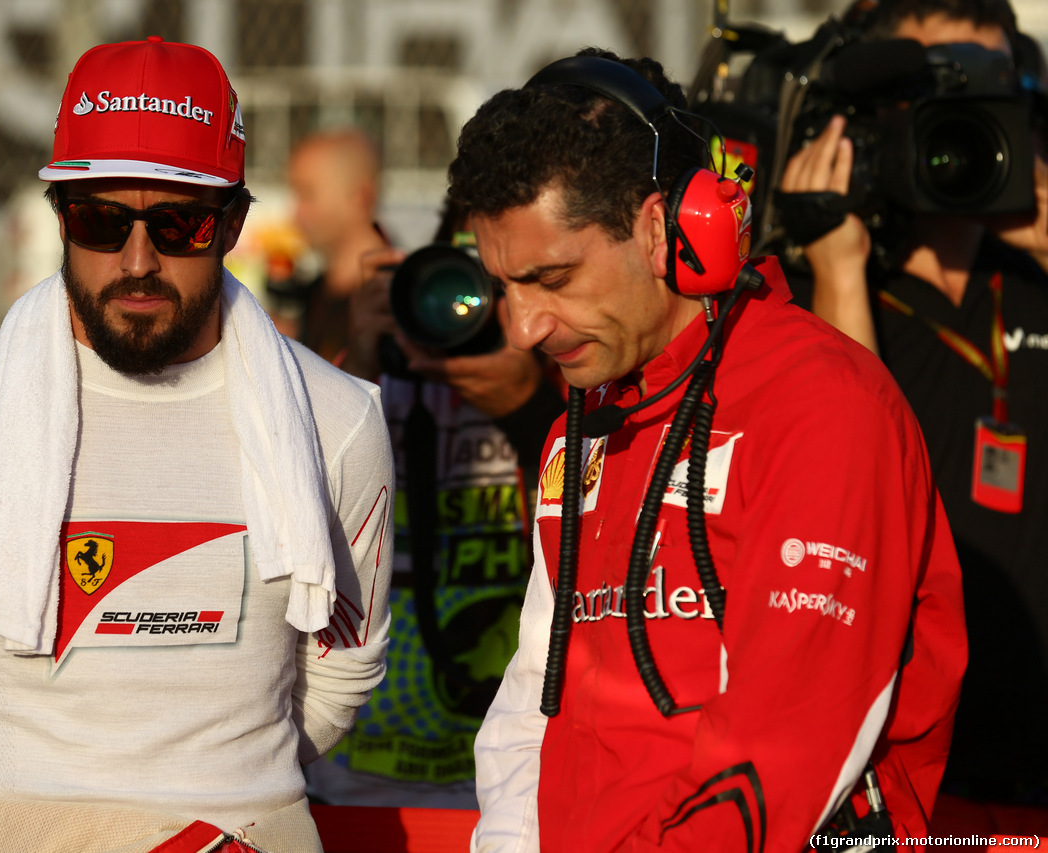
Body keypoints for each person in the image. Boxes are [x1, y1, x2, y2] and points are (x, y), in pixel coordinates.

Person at [0, 37, 393, 853]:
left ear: (233, 223)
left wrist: (214, 808)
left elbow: (341, 675)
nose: (137, 260)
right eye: (101, 220)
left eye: (179, 221)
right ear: (61, 215)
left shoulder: (336, 419)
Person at [449, 48, 967, 851]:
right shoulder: (583, 420)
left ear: (668, 228)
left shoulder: (823, 405)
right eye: (503, 286)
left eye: (552, 278)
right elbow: (529, 710)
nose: (522, 327)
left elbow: (790, 740)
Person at [780, 0, 1048, 810]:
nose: (963, 117)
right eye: (936, 89)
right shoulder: (805, 290)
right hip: (892, 776)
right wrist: (837, 269)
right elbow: (850, 480)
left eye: (989, 88)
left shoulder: (1034, 274)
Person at [305, 207, 565, 808]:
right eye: (454, 281)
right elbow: (296, 521)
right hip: (352, 772)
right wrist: (361, 359)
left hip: (507, 777)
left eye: (499, 285)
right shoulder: (362, 386)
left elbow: (599, 515)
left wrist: (529, 405)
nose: (465, 306)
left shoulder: (562, 376)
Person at [271, 128, 390, 363]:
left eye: (307, 194)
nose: (296, 214)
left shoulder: (395, 303)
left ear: (361, 196)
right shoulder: (315, 295)